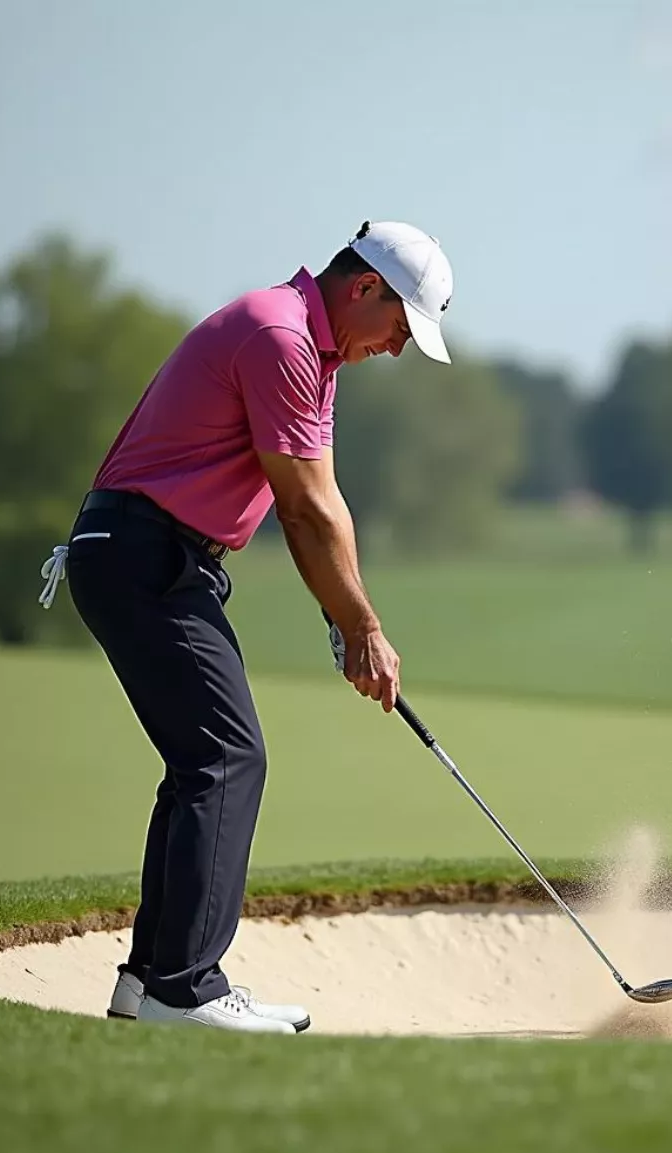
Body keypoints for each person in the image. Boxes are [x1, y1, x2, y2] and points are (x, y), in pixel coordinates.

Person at [37, 219, 454, 1034]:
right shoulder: (280, 337)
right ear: (365, 287)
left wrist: (344, 612)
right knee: (227, 758)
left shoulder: (314, 353)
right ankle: (183, 988)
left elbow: (317, 502)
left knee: (205, 761)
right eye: (402, 327)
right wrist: (362, 625)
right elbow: (304, 508)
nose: (400, 349)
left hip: (156, 558)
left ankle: (149, 980)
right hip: (143, 555)